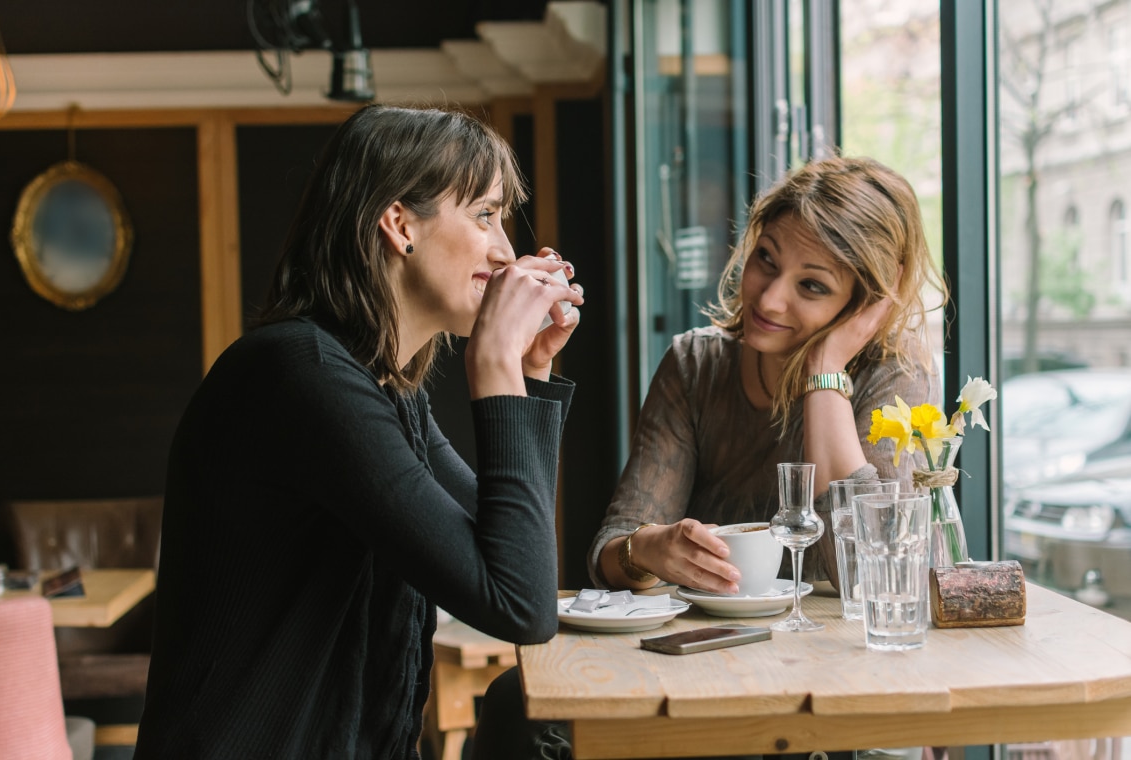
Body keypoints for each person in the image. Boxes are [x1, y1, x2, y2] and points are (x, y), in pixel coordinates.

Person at [132, 104, 584, 760]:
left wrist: (527, 375)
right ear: (399, 224)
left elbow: (516, 558)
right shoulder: (300, 376)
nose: (505, 251)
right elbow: (520, 605)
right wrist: (492, 368)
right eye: (484, 214)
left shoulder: (383, 393)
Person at [589, 154, 945, 597]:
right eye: (767, 259)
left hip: (838, 657)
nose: (770, 299)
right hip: (713, 648)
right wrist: (645, 550)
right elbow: (609, 553)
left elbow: (876, 581)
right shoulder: (694, 365)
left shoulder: (896, 375)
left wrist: (825, 372)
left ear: (866, 302)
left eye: (812, 285)